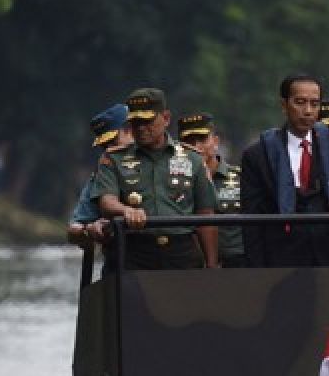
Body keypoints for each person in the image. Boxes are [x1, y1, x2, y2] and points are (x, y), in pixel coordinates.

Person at [239, 73, 329, 267]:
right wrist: (258, 271)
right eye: (299, 102)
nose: (308, 111)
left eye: (314, 104)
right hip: (280, 260)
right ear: (284, 105)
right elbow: (251, 222)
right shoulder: (257, 156)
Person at [91, 88, 219, 269]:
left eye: (147, 121)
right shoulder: (113, 159)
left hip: (181, 252)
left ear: (166, 118)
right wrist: (126, 210)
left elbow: (206, 214)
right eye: (135, 123)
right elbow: (106, 200)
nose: (141, 128)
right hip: (132, 251)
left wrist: (212, 264)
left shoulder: (193, 159)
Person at [178, 112, 246, 267]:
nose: (196, 147)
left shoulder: (241, 178)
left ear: (215, 142)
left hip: (237, 264)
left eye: (202, 139)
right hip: (190, 266)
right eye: (188, 141)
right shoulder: (174, 183)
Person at [67, 103, 132, 248]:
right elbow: (74, 228)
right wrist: (89, 230)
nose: (109, 150)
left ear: (130, 130)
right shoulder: (102, 174)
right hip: (123, 260)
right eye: (105, 146)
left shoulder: (173, 160)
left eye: (113, 142)